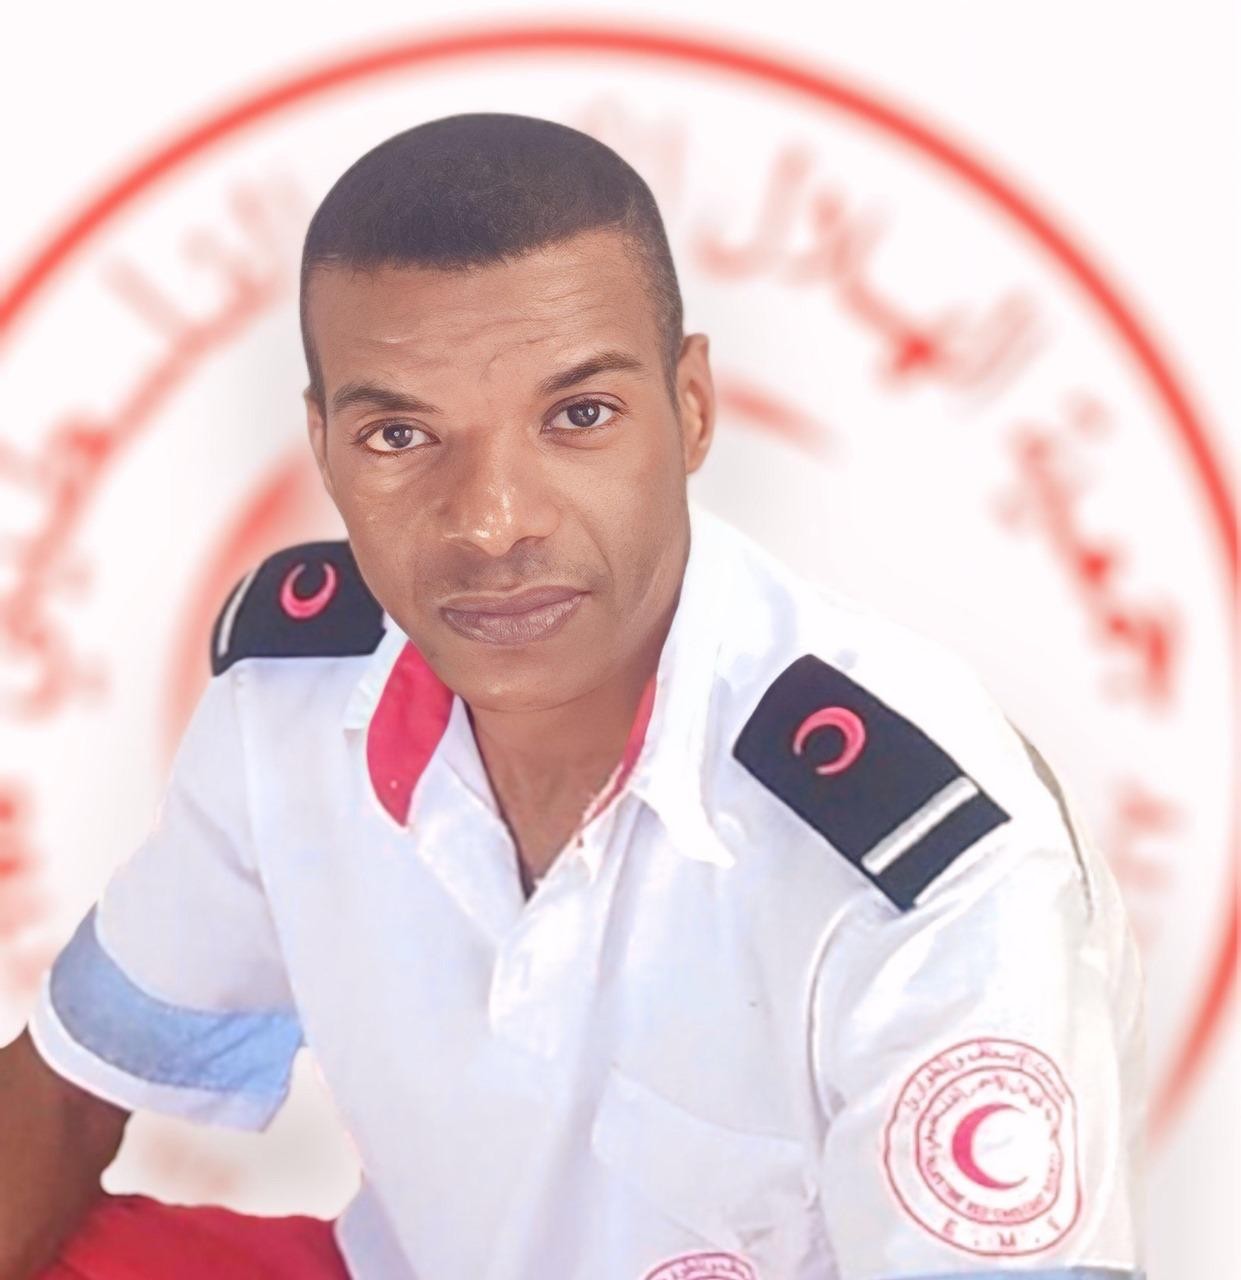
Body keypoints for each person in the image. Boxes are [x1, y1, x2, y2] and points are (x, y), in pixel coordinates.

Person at [0, 113, 1145, 1280]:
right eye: (400, 433)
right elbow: (65, 1094)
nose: (492, 522)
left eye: (578, 416)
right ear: (324, 444)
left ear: (690, 407)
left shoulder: (914, 849)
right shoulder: (294, 702)